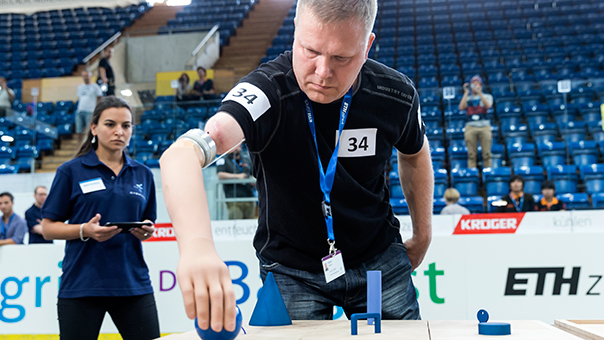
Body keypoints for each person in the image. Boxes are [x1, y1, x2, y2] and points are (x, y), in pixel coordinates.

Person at [160, 0, 433, 332]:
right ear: (295, 34)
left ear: (367, 47)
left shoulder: (395, 94)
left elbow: (415, 152)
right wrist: (197, 247)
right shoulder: (267, 91)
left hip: (377, 260)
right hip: (291, 269)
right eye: (310, 51)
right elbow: (180, 155)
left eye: (341, 58)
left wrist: (423, 233)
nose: (322, 72)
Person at [41, 96, 160, 340]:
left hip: (133, 284)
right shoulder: (70, 171)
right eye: (110, 124)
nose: (119, 131)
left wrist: (147, 231)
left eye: (126, 126)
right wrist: (85, 230)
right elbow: (48, 228)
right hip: (82, 285)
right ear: (94, 128)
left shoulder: (143, 174)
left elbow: (149, 223)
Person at [459, 75, 493, 168]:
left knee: (486, 153)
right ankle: (472, 172)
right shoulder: (468, 98)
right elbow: (461, 107)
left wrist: (480, 93)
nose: (475, 87)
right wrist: (466, 92)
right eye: (473, 85)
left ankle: (488, 171)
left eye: (477, 85)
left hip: (484, 126)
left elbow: (488, 106)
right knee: (471, 154)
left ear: (481, 86)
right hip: (471, 127)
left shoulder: (487, 96)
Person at [216, 144, 255, 219]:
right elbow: (220, 175)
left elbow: (253, 174)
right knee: (236, 223)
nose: (235, 148)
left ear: (240, 147)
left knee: (250, 225)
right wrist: (238, 177)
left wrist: (252, 180)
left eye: (237, 146)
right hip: (233, 199)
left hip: (249, 197)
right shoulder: (223, 159)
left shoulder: (246, 159)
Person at [75, 70, 103, 135]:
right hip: (80, 111)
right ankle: (80, 145)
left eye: (87, 76)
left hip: (90, 111)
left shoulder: (95, 87)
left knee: (89, 131)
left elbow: (100, 98)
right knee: (79, 132)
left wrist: (96, 109)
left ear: (90, 76)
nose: (86, 77)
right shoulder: (80, 87)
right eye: (84, 76)